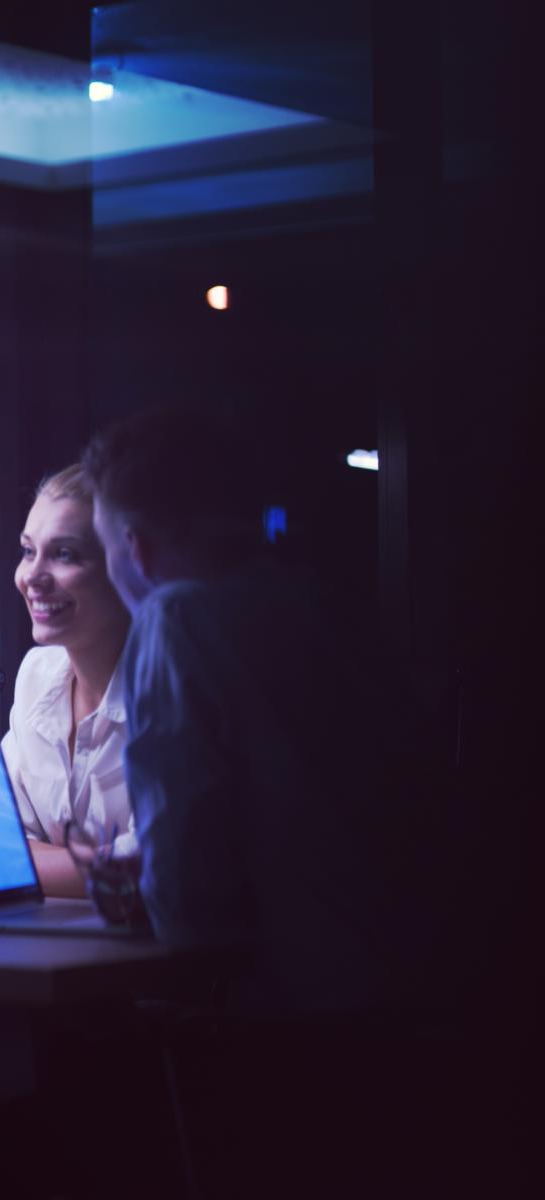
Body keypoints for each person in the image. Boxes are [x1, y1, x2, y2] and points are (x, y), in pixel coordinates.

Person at [81, 406, 456, 1195]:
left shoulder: (178, 618)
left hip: (282, 1024)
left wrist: (137, 897)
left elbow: (189, 898)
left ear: (137, 549)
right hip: (412, 1006)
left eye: (106, 548)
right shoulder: (331, 608)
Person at [1, 464, 132, 899]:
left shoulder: (170, 693)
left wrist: (24, 860)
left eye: (65, 554)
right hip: (46, 949)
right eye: (27, 551)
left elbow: (151, 870)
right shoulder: (37, 673)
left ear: (128, 566)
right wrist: (93, 869)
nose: (32, 578)